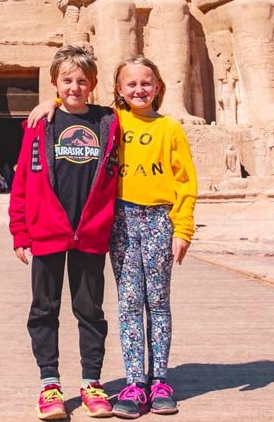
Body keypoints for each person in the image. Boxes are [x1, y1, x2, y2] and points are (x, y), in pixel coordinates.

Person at [29, 55, 197, 418]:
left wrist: (183, 227)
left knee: (156, 301)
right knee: (128, 301)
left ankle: (157, 379)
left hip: (154, 220)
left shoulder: (152, 125)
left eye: (146, 83)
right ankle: (135, 381)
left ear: (158, 87)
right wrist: (51, 103)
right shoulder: (110, 118)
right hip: (119, 219)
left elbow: (186, 181)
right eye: (130, 84)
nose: (139, 90)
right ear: (119, 90)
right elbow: (75, 104)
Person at [9, 46, 121, 420]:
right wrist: (19, 231)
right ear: (56, 83)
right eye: (67, 81)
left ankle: (92, 382)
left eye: (82, 81)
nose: (75, 87)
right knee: (44, 309)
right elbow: (23, 178)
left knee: (90, 310)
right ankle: (49, 383)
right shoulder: (41, 123)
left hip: (89, 232)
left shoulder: (109, 121)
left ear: (93, 85)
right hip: (48, 230)